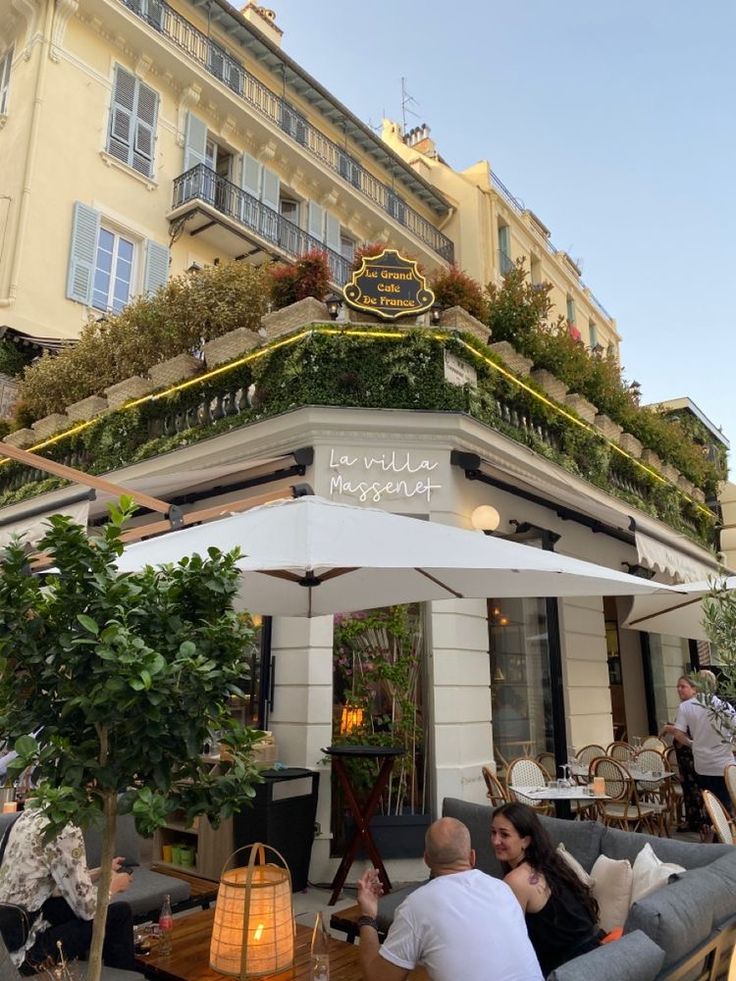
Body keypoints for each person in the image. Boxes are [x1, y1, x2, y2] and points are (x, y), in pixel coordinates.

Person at [356, 816, 542, 981]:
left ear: (426, 860)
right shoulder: (503, 889)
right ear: (472, 857)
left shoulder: (417, 905)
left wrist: (367, 915)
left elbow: (377, 977)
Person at [0, 801, 135, 973]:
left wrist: (101, 872)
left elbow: (49, 883)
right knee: (119, 914)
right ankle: (124, 976)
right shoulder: (65, 830)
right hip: (23, 953)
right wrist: (112, 886)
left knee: (69, 906)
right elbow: (88, 909)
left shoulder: (25, 818)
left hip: (7, 934)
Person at [491, 802, 601, 978]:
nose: (496, 841)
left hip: (571, 970)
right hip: (598, 953)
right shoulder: (552, 862)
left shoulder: (516, 880)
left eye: (504, 834)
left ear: (525, 840)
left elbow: (507, 942)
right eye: (493, 832)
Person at [662, 670, 735, 813]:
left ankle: (710, 829)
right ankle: (725, 833)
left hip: (702, 764)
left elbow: (678, 733)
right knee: (726, 807)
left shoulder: (686, 707)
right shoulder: (724, 707)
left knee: (709, 805)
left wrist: (691, 743)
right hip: (724, 765)